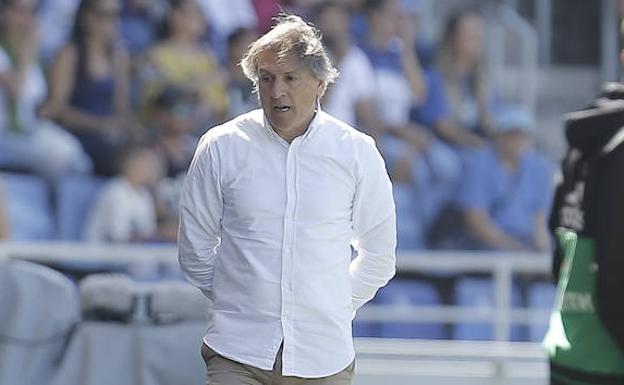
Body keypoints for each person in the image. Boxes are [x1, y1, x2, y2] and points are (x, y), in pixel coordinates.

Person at [178, 14, 396, 384]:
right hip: (237, 353)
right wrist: (241, 299)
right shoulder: (221, 146)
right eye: (266, 79)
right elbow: (194, 251)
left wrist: (333, 305)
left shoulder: (357, 152)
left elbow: (379, 256)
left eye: (290, 78)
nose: (277, 90)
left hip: (323, 358)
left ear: (321, 85)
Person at [543, 27, 624, 384]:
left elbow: (559, 248)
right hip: (608, 362)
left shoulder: (591, 131)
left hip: (570, 348)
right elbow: (614, 269)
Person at [40, 0, 142, 177]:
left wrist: (132, 129)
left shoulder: (118, 56)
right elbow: (57, 109)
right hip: (78, 133)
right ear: (86, 17)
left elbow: (122, 108)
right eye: (104, 15)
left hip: (108, 134)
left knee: (145, 151)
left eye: (116, 15)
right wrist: (101, 125)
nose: (111, 22)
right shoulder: (70, 54)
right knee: (123, 160)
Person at [0, 0, 92, 178]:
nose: (25, 19)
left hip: (29, 129)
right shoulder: (13, 49)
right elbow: (17, 90)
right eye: (19, 11)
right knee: (60, 159)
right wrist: (28, 48)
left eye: (30, 12)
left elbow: (39, 100)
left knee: (79, 159)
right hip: (5, 134)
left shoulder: (33, 53)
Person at [454, 106, 553, 251]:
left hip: (527, 243)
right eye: (510, 135)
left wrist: (541, 252)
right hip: (487, 247)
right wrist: (513, 249)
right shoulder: (477, 164)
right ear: (497, 136)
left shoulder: (539, 167)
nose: (515, 141)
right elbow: (475, 219)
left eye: (521, 135)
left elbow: (540, 218)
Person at [84, 144, 165, 243]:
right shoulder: (116, 190)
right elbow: (118, 235)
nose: (153, 171)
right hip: (100, 253)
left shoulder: (144, 194)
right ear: (131, 165)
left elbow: (148, 232)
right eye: (148, 166)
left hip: (131, 253)